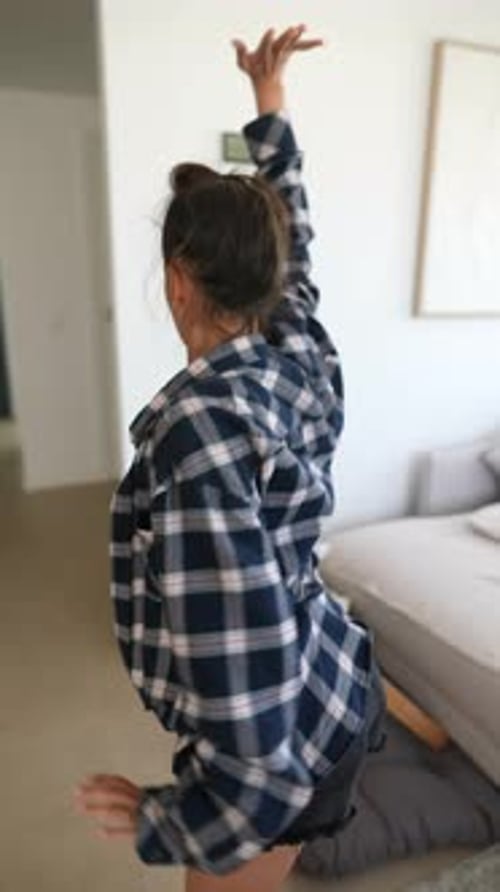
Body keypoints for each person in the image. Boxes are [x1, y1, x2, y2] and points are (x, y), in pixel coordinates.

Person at [74, 24, 386, 892]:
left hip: (293, 736)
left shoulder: (197, 440)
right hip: (330, 675)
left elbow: (256, 759)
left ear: (178, 281)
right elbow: (300, 244)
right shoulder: (297, 353)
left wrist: (163, 818)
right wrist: (270, 105)